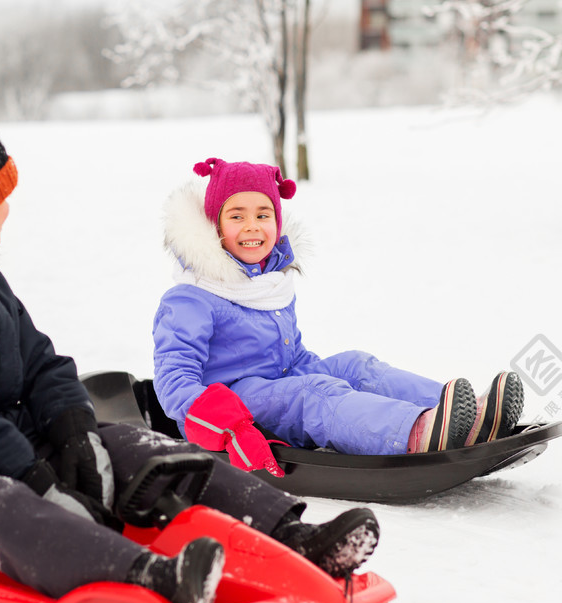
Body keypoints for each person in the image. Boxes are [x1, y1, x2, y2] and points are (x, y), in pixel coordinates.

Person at [0, 99, 381, 603]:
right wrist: (33, 473)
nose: (7, 207)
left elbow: (41, 361)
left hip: (12, 440)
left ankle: (292, 538)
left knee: (133, 443)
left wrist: (76, 430)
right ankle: (151, 579)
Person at [152, 157, 525, 476]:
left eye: (263, 214)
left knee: (354, 365)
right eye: (237, 216)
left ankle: (462, 415)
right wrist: (229, 426)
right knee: (314, 393)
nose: (252, 226)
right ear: (215, 225)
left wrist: (332, 373)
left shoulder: (268, 284)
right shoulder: (191, 298)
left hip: (277, 387)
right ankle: (414, 431)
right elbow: (174, 381)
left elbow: (293, 358)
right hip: (230, 409)